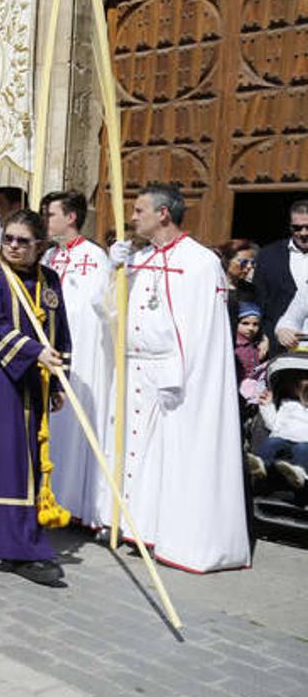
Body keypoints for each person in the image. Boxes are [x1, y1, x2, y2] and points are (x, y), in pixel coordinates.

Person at [109, 183, 249, 573]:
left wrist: (180, 372)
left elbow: (204, 330)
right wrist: (114, 270)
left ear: (163, 214)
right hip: (136, 369)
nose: (132, 217)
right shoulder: (139, 258)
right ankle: (140, 526)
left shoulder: (200, 261)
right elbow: (108, 312)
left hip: (176, 378)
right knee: (139, 454)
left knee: (171, 456)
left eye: (139, 210)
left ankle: (170, 531)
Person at [0, 209, 71, 587]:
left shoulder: (50, 280)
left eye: (23, 241)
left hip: (35, 381)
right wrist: (32, 352)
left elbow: (61, 333)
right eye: (8, 238)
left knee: (25, 458)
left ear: (39, 245)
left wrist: (58, 382)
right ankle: (20, 546)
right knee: (11, 461)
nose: (13, 246)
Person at [40, 190, 115, 531]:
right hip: (49, 355)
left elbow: (101, 311)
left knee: (75, 426)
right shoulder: (49, 257)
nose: (46, 221)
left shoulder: (94, 257)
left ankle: (76, 503)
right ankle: (47, 495)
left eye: (51, 214)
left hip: (82, 358)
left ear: (71, 217)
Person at [254, 200, 308, 351]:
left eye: (307, 227)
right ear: (290, 226)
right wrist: (263, 335)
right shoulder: (268, 255)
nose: (303, 233)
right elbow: (258, 299)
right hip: (277, 346)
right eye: (297, 228)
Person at [251, 354, 308, 493]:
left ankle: (299, 474)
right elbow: (273, 424)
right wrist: (267, 405)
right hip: (283, 437)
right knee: (272, 443)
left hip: (305, 441)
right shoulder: (287, 405)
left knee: (302, 449)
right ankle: (259, 465)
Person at [218, 239, 259, 335]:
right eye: (244, 262)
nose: (249, 266)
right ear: (227, 261)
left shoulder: (251, 291)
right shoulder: (214, 288)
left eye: (252, 263)